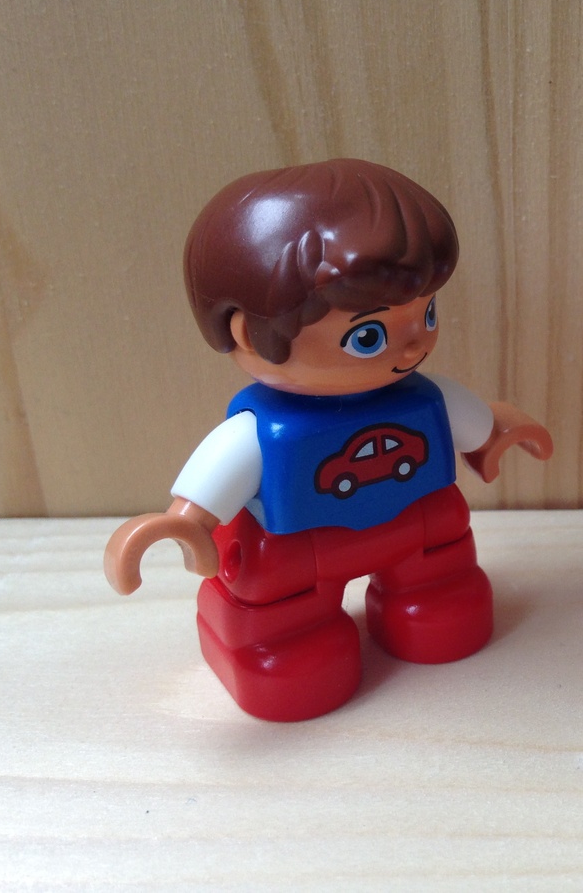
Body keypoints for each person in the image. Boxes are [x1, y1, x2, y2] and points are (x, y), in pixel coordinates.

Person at [106, 159, 552, 721]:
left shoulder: (426, 397)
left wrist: (496, 433)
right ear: (248, 334)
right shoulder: (257, 433)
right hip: (297, 551)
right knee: (287, 632)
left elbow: (475, 423)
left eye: (427, 313)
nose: (414, 345)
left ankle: (427, 599)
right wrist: (188, 524)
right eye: (368, 335)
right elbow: (210, 486)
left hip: (419, 524)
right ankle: (284, 645)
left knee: (440, 586)